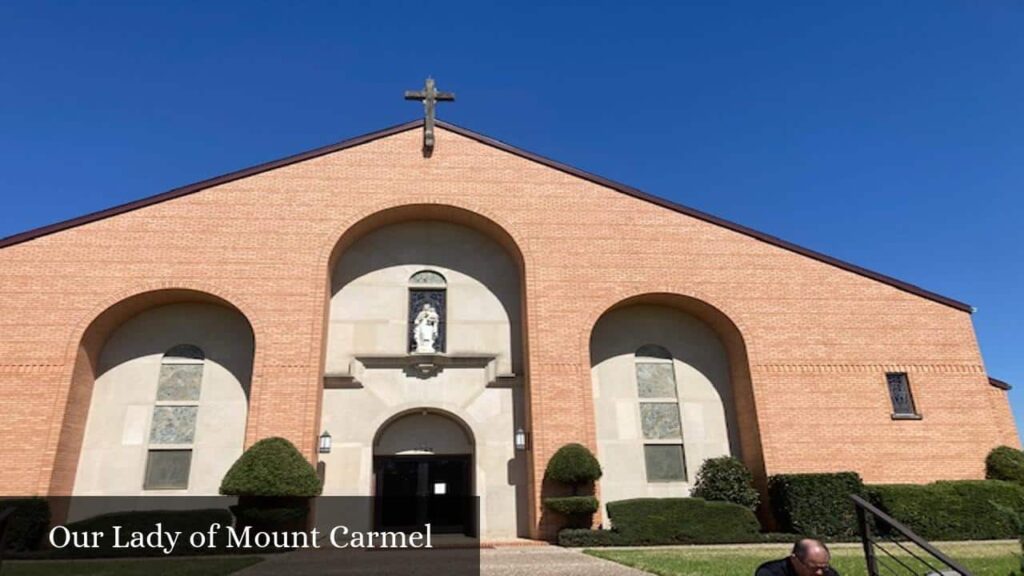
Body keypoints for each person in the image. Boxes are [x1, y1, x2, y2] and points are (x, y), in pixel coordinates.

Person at [755, 538, 840, 576]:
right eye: (813, 568)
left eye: (824, 567)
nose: (819, 573)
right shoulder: (770, 572)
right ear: (794, 560)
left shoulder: (828, 573)